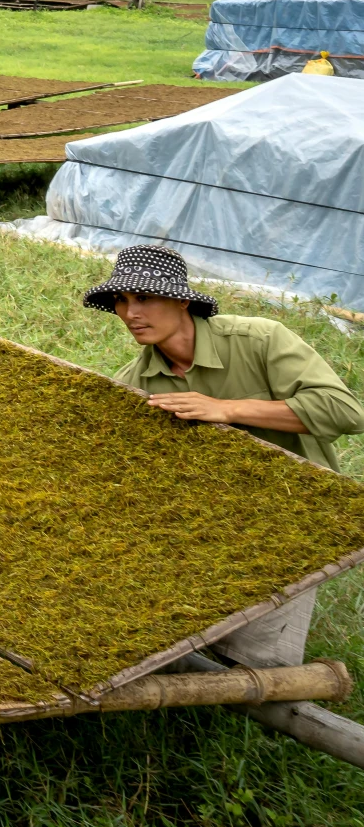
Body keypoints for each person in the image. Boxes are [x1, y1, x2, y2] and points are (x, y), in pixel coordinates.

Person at [89, 243, 364, 665]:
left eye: (143, 298)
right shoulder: (135, 382)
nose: (130, 314)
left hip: (301, 507)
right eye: (121, 301)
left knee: (260, 659)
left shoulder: (259, 340)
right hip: (213, 512)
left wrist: (227, 409)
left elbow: (345, 411)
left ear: (181, 300)